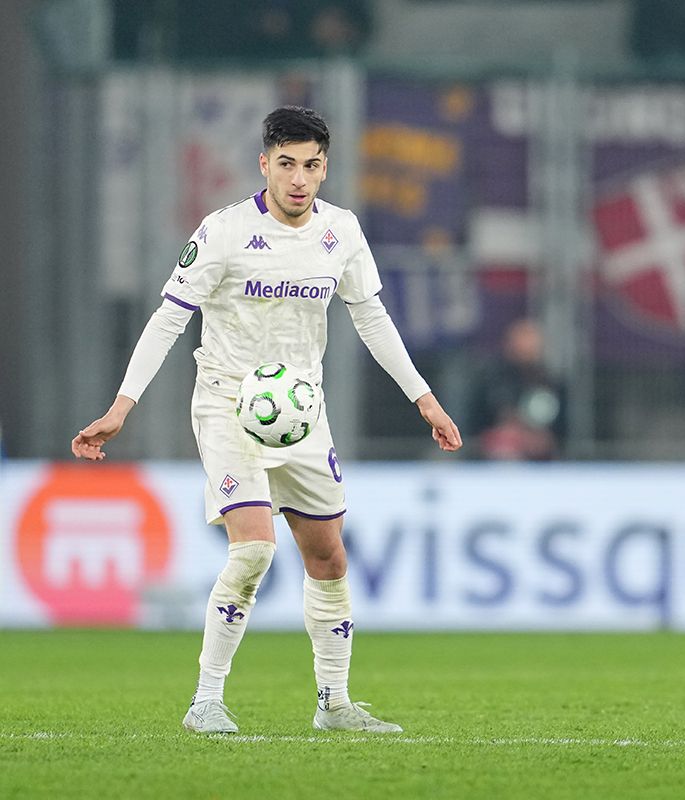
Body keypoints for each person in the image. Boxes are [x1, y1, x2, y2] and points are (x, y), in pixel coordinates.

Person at [71, 106, 462, 734]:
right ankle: (205, 701)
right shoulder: (223, 232)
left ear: (325, 168)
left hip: (301, 410)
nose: (299, 178)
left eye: (311, 165)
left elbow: (371, 317)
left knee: (328, 558)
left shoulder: (341, 230)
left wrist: (425, 399)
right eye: (286, 164)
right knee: (254, 549)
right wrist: (123, 405)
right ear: (264, 165)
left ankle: (335, 705)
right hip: (228, 401)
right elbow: (169, 317)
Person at [466, 317, 567, 461]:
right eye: (522, 340)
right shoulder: (490, 382)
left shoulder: (552, 384)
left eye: (531, 342)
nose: (527, 347)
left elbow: (563, 431)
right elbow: (475, 426)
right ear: (509, 344)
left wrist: (540, 439)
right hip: (495, 457)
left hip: (543, 461)